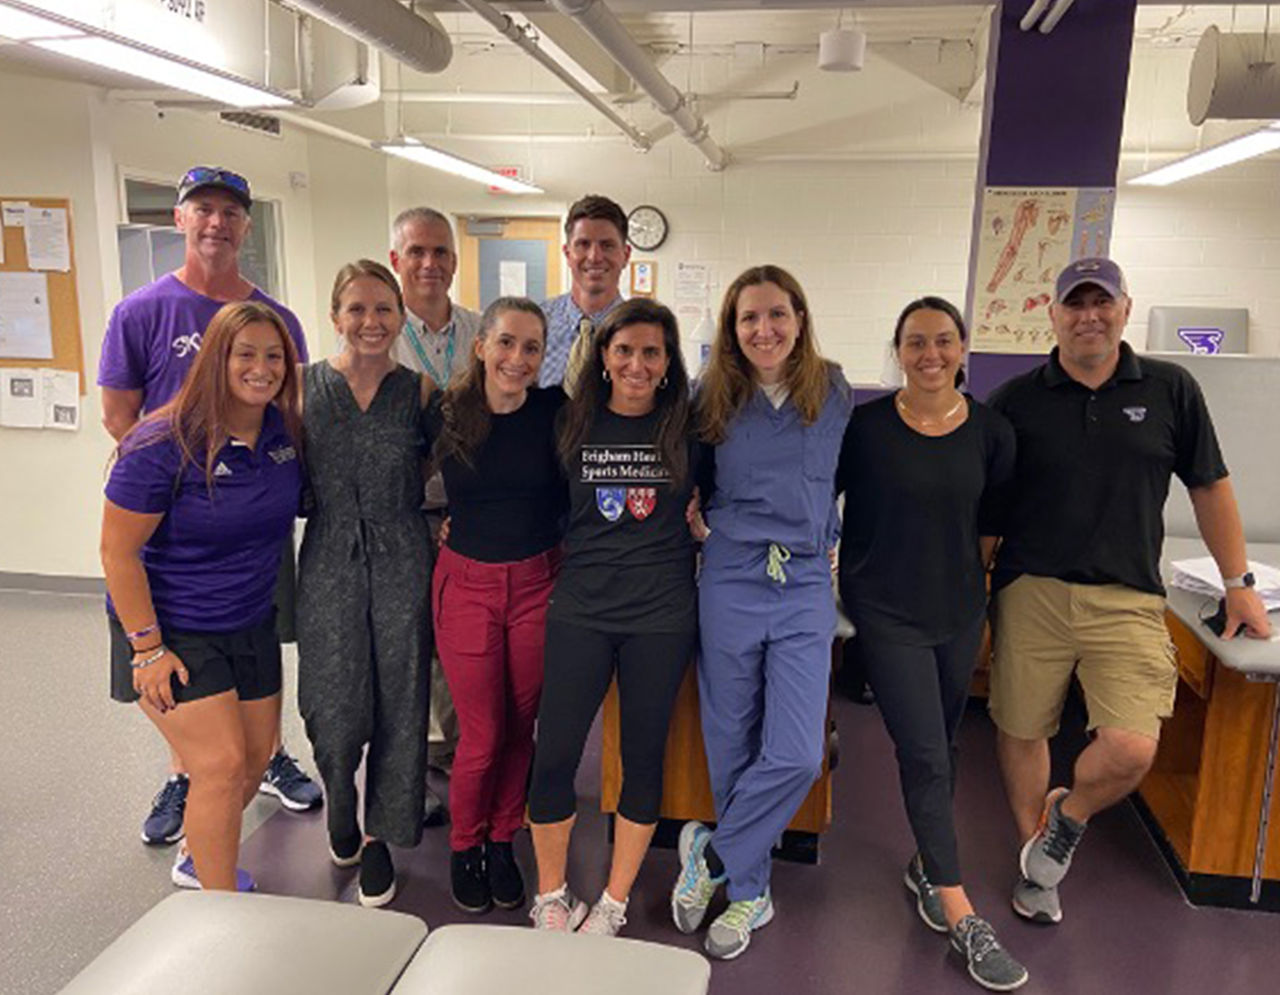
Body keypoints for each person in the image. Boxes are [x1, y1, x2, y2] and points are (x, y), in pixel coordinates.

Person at [987, 257, 1272, 926]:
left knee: (1132, 747)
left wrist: (1240, 585)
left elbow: (1210, 487)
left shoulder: (1172, 388)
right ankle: (1037, 866)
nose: (1089, 314)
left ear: (1125, 307)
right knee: (1022, 727)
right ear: (1051, 315)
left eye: (1101, 302)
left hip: (1130, 596)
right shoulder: (1017, 399)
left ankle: (1068, 815)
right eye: (1074, 303)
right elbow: (990, 509)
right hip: (1032, 587)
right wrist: (972, 588)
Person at [97, 165, 319, 848]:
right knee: (212, 751)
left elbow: (291, 411)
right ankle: (189, 776)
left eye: (230, 212)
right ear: (180, 220)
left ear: (246, 227)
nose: (217, 222)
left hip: (254, 523)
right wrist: (188, 477)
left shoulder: (277, 317)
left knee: (247, 687)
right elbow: (120, 417)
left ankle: (252, 761)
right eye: (203, 210)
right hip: (175, 525)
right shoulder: (141, 312)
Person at [837, 297, 1025, 991]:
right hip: (885, 610)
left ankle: (924, 862)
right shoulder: (865, 428)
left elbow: (990, 524)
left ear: (963, 347)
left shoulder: (992, 432)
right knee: (921, 749)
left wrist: (969, 592)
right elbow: (816, 497)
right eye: (916, 342)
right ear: (897, 350)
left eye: (943, 341)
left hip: (956, 610)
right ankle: (958, 905)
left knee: (944, 745)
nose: (930, 354)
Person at [671, 264, 852, 960]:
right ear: (732, 327)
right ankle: (750, 889)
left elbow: (843, 477)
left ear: (800, 318)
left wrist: (834, 538)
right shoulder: (708, 394)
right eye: (750, 318)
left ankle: (711, 851)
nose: (764, 329)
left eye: (777, 314)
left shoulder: (831, 389)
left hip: (803, 580)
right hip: (731, 574)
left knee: (799, 753)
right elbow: (687, 477)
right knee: (731, 736)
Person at [100, 300, 303, 892]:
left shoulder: (281, 435)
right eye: (246, 354)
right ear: (217, 357)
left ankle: (197, 853)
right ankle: (219, 918)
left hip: (248, 618)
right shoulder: (161, 442)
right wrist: (147, 649)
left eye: (274, 356)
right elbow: (117, 554)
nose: (261, 368)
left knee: (257, 758)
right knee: (217, 766)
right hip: (171, 629)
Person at [527, 299, 698, 937]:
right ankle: (550, 895)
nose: (636, 363)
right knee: (556, 756)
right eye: (623, 350)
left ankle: (613, 902)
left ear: (666, 362)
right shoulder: (570, 422)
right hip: (582, 612)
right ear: (603, 356)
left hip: (661, 616)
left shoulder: (688, 429)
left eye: (651, 352)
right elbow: (529, 494)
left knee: (642, 759)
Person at [295, 260, 434, 907]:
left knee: (401, 702)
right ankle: (341, 803)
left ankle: (379, 835)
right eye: (357, 308)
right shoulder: (301, 389)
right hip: (327, 557)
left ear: (401, 317)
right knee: (333, 702)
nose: (371, 322)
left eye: (384, 308)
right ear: (335, 317)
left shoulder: (422, 392)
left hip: (404, 555)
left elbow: (444, 476)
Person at [425, 297, 567, 914]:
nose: (518, 358)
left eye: (531, 347)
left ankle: (504, 839)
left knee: (519, 728)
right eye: (506, 343)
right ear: (480, 345)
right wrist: (435, 525)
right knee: (480, 734)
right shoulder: (445, 412)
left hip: (538, 583)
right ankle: (466, 845)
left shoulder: (555, 411)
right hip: (469, 587)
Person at [388, 206, 483, 825]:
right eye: (417, 251)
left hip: (471, 513)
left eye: (441, 252)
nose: (430, 263)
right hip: (401, 513)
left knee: (460, 644)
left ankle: (452, 750)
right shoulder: (378, 330)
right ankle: (405, 769)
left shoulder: (480, 331)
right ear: (396, 259)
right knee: (405, 643)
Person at [538, 194, 630, 391]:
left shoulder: (642, 329)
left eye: (607, 245)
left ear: (626, 255)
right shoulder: (538, 322)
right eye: (583, 244)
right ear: (567, 254)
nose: (595, 257)